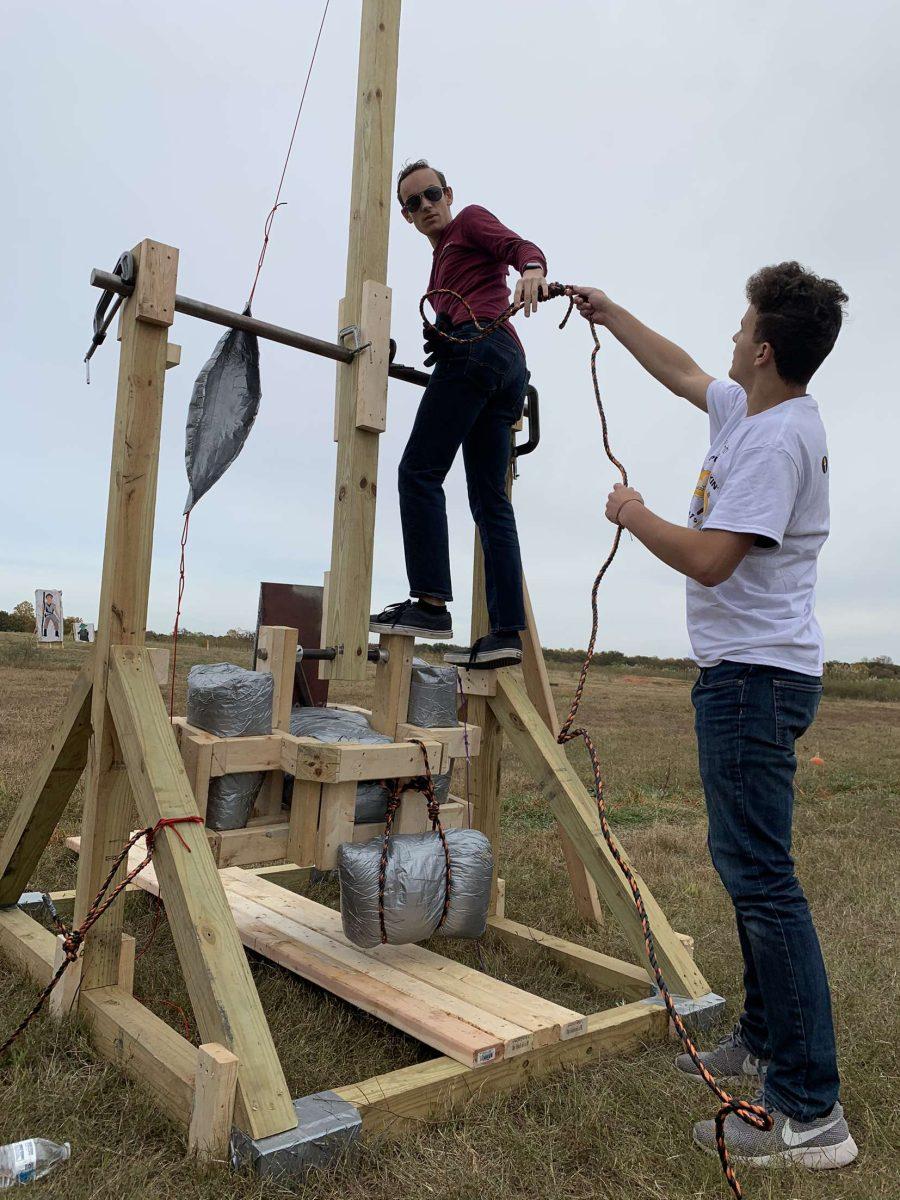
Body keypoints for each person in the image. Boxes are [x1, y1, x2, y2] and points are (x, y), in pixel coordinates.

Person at [569, 263, 857, 1170]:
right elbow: (685, 370)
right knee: (752, 873)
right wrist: (611, 315)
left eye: (743, 330)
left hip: (753, 681)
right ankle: (767, 1045)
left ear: (767, 349)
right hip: (751, 676)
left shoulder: (777, 444)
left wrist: (634, 513)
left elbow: (710, 561)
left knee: (763, 880)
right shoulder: (753, 408)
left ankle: (811, 1115)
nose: (731, 342)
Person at [370, 159, 548, 668]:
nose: (425, 206)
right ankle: (506, 633)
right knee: (491, 502)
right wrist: (443, 336)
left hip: (484, 347)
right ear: (406, 216)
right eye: (413, 203)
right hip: (502, 367)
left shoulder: (468, 220)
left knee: (418, 472)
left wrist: (532, 270)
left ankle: (429, 604)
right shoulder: (440, 263)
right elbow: (461, 305)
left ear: (448, 193)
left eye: (431, 195)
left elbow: (518, 248)